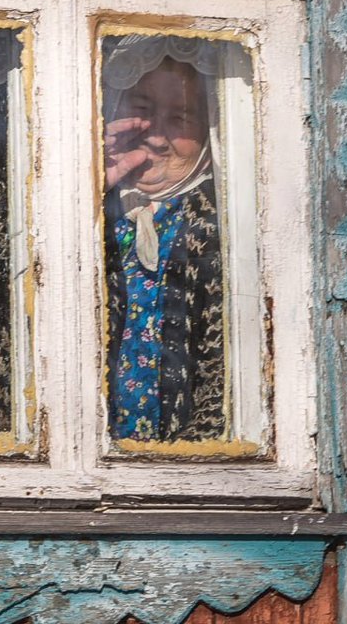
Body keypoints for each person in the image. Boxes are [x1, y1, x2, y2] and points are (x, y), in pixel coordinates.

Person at [103, 47, 225, 443]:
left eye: (180, 118)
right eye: (141, 108)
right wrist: (69, 179)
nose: (155, 136)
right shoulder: (68, 198)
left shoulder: (227, 220)